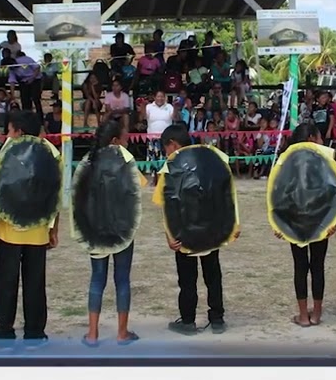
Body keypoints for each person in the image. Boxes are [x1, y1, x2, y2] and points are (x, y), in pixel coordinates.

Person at [153, 124, 238, 334]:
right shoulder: (211, 160)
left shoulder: (170, 168)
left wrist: (169, 237)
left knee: (187, 280)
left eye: (166, 149)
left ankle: (188, 321)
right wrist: (232, 225)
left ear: (172, 144)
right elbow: (226, 195)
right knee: (213, 276)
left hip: (184, 236)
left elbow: (167, 206)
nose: (166, 153)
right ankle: (217, 319)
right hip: (212, 233)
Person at [0, 110, 61, 341]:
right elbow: (55, 195)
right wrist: (53, 229)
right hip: (38, 232)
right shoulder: (52, 153)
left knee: (6, 282)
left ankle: (5, 330)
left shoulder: (8, 151)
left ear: (18, 130)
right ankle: (35, 331)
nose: (7, 134)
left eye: (9, 130)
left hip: (9, 231)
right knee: (35, 283)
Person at [77, 117, 146, 346]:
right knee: (122, 279)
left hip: (94, 230)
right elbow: (136, 191)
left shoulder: (88, 161)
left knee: (97, 279)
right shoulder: (126, 159)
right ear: (116, 140)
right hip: (122, 230)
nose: (128, 140)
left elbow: (78, 197)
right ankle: (122, 333)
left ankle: (93, 334)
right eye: (125, 137)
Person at [274, 123, 336, 326]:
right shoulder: (326, 158)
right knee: (317, 266)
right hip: (321, 221)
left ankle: (303, 316)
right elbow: (335, 190)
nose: (321, 141)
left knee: (300, 266)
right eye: (319, 137)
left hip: (295, 221)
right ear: (311, 138)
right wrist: (335, 219)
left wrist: (279, 223)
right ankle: (316, 314)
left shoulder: (286, 160)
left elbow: (278, 192)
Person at [144, 89, 175, 167]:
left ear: (165, 98)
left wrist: (176, 108)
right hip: (152, 138)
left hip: (166, 139)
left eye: (162, 97)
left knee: (166, 161)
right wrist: (142, 106)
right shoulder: (149, 107)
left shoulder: (169, 106)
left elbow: (175, 118)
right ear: (154, 97)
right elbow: (143, 117)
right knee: (153, 162)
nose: (160, 98)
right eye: (158, 96)